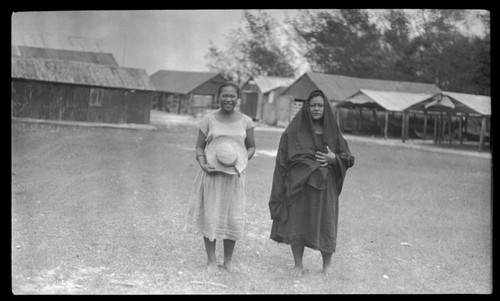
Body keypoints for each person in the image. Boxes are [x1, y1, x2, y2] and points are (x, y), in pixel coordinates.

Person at [268, 89, 354, 276]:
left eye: (320, 105)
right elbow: (283, 156)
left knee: (327, 221)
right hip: (300, 185)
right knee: (298, 222)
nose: (316, 109)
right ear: (307, 107)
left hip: (325, 186)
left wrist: (334, 158)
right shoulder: (294, 129)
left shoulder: (333, 131)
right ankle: (298, 265)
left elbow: (348, 156)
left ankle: (327, 266)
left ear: (325, 108)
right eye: (312, 105)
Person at [186, 81, 256, 274]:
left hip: (234, 176)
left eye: (232, 96)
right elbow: (199, 146)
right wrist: (202, 162)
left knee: (232, 216)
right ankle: (211, 261)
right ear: (219, 97)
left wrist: (240, 161)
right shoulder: (208, 119)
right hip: (212, 175)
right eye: (224, 95)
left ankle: (228, 261)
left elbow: (251, 147)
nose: (228, 99)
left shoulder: (246, 121)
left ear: (237, 98)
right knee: (212, 215)